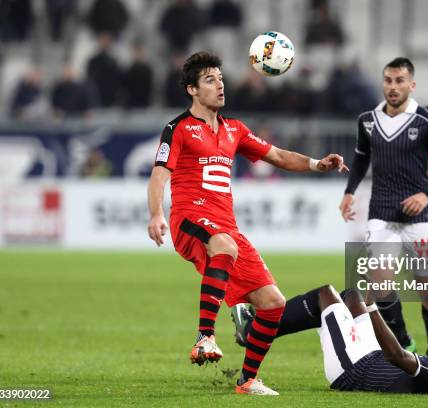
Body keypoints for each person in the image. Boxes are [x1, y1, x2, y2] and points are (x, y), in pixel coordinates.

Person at [146, 51, 347, 396]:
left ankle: (247, 380)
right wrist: (155, 214)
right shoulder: (178, 128)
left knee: (273, 303)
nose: (220, 84)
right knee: (224, 245)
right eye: (210, 80)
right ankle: (205, 337)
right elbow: (159, 175)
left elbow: (279, 156)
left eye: (221, 78)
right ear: (192, 89)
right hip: (190, 219)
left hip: (226, 227)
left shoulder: (234, 130)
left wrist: (318, 164)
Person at [338, 57, 428, 355]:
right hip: (382, 212)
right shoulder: (367, 120)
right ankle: (403, 341)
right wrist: (350, 191)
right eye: (389, 81)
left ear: (411, 85)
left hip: (419, 217)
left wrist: (425, 196)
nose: (393, 87)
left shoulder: (426, 122)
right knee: (378, 282)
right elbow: (362, 157)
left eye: (400, 81)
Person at [233, 286, 428, 394]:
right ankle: (258, 331)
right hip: (370, 356)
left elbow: (397, 355)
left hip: (353, 368)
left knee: (325, 295)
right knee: (353, 297)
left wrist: (374, 309)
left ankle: (255, 331)